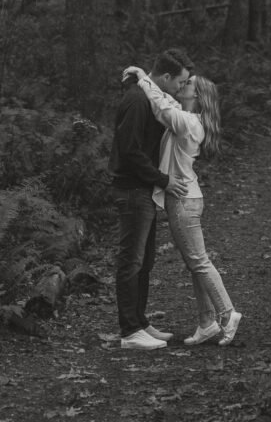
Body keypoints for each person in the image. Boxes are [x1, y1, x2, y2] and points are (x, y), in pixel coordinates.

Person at [124, 66, 242, 348]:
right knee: (195, 263)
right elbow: (168, 103)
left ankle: (228, 313)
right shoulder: (189, 117)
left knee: (199, 262)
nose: (182, 85)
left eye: (188, 83)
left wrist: (143, 79)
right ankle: (206, 323)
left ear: (196, 94)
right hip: (188, 198)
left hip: (184, 201)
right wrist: (146, 74)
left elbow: (162, 109)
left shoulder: (188, 122)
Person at [108, 47, 194, 350]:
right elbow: (129, 151)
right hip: (132, 189)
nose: (181, 89)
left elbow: (167, 103)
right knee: (131, 260)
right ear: (167, 76)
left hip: (144, 189)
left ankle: (140, 322)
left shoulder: (150, 96)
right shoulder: (137, 102)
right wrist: (163, 180)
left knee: (145, 259)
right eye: (180, 83)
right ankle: (129, 331)